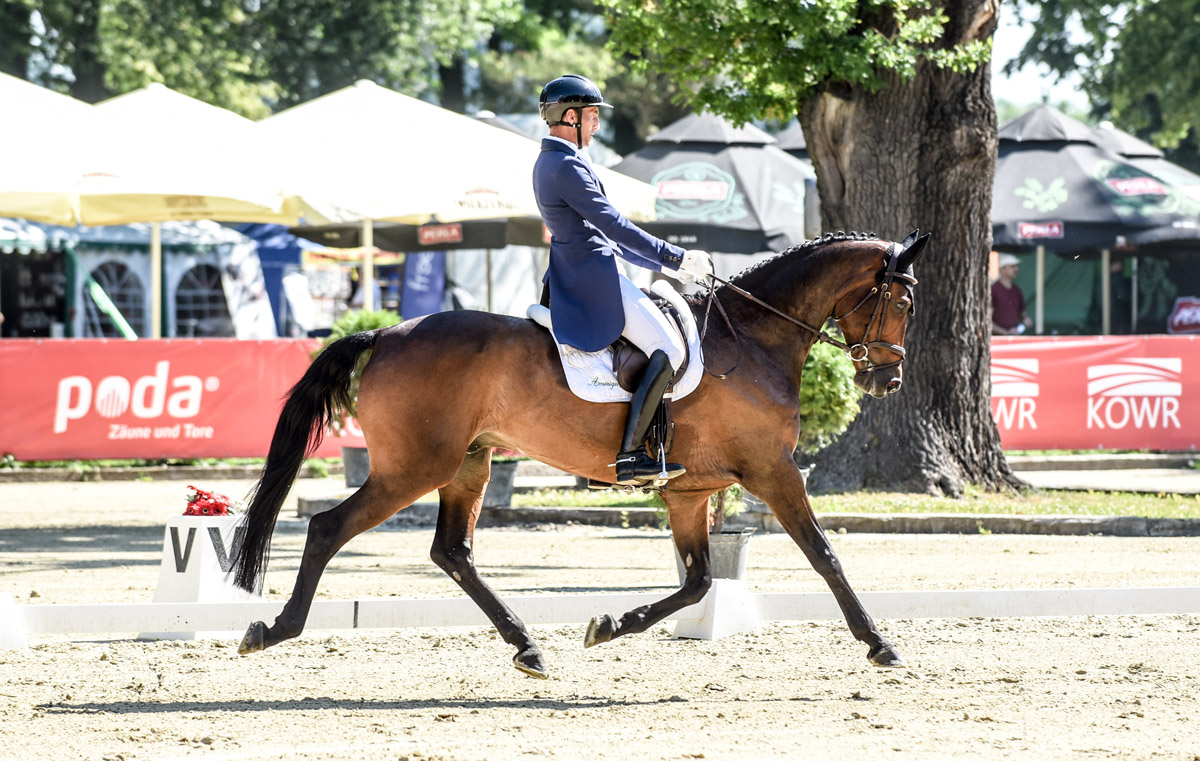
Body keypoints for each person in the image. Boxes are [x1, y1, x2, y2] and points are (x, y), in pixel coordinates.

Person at [532, 74, 713, 486]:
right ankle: (630, 456)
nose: (597, 124)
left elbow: (608, 234)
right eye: (593, 116)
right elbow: (612, 225)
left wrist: (671, 267)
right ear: (571, 116)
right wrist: (676, 255)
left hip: (590, 267)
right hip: (593, 278)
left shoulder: (562, 160)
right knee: (668, 348)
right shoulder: (564, 165)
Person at [991, 253, 1033, 335]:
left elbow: (1023, 315)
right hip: (997, 339)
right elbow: (987, 320)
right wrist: (1005, 333)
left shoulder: (1017, 291)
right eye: (1012, 266)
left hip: (1014, 338)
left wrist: (1026, 321)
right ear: (1002, 269)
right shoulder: (993, 290)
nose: (1016, 269)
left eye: (1017, 266)